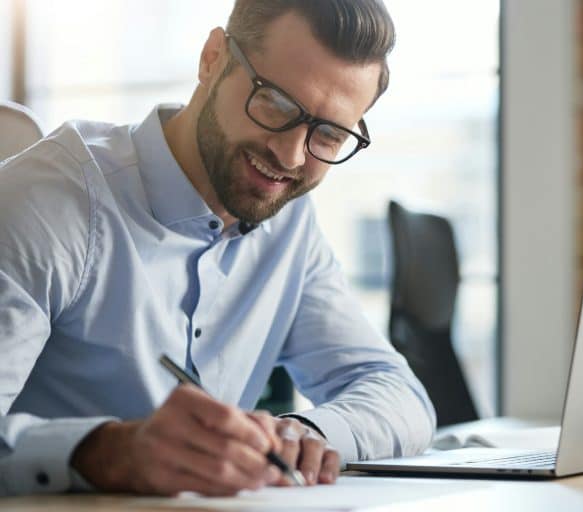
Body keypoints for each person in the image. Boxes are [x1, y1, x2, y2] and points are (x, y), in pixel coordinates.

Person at [0, 0, 435, 497]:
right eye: (275, 103)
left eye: (330, 134)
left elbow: (399, 395)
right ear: (212, 58)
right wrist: (105, 452)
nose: (291, 156)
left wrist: (300, 435)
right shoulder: (46, 202)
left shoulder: (288, 224)